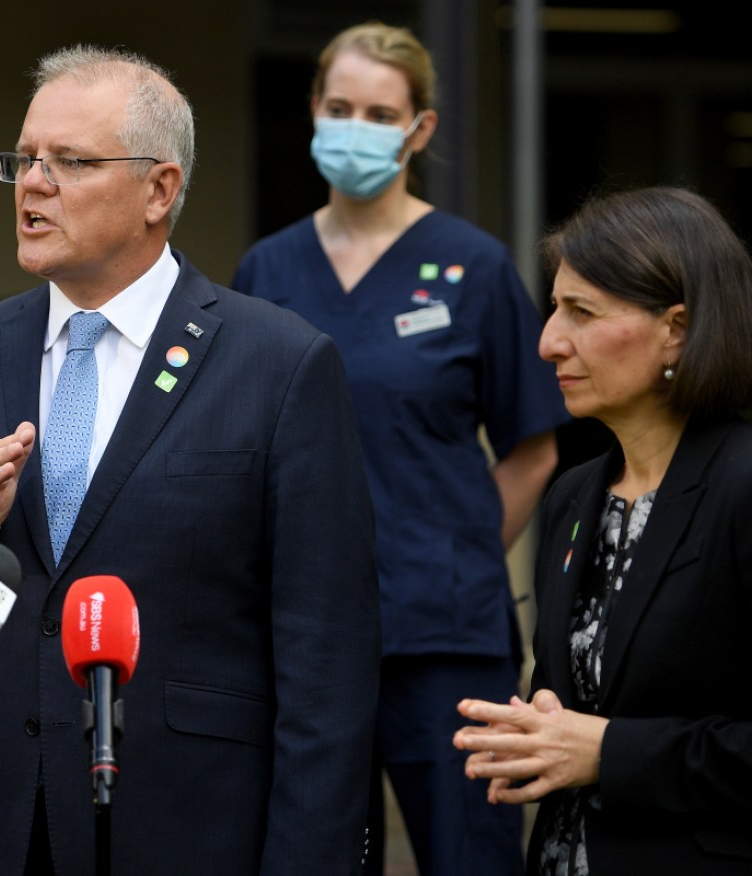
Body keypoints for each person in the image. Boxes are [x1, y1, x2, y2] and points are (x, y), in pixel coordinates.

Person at [0, 45, 380, 875]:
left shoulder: (278, 365)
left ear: (159, 190)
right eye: (24, 159)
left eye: (71, 162)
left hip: (188, 826)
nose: (32, 183)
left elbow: (326, 666)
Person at [231, 22, 568, 875]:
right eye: (338, 107)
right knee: (312, 853)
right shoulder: (266, 273)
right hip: (302, 636)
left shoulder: (473, 269)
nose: (355, 127)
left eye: (379, 113)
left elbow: (533, 446)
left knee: (468, 854)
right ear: (312, 112)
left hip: (445, 637)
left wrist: (454, 548)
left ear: (418, 130)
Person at [453, 186, 752, 874]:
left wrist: (608, 754)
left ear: (676, 328)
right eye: (554, 308)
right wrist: (531, 741)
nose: (549, 341)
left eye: (580, 312)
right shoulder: (574, 497)